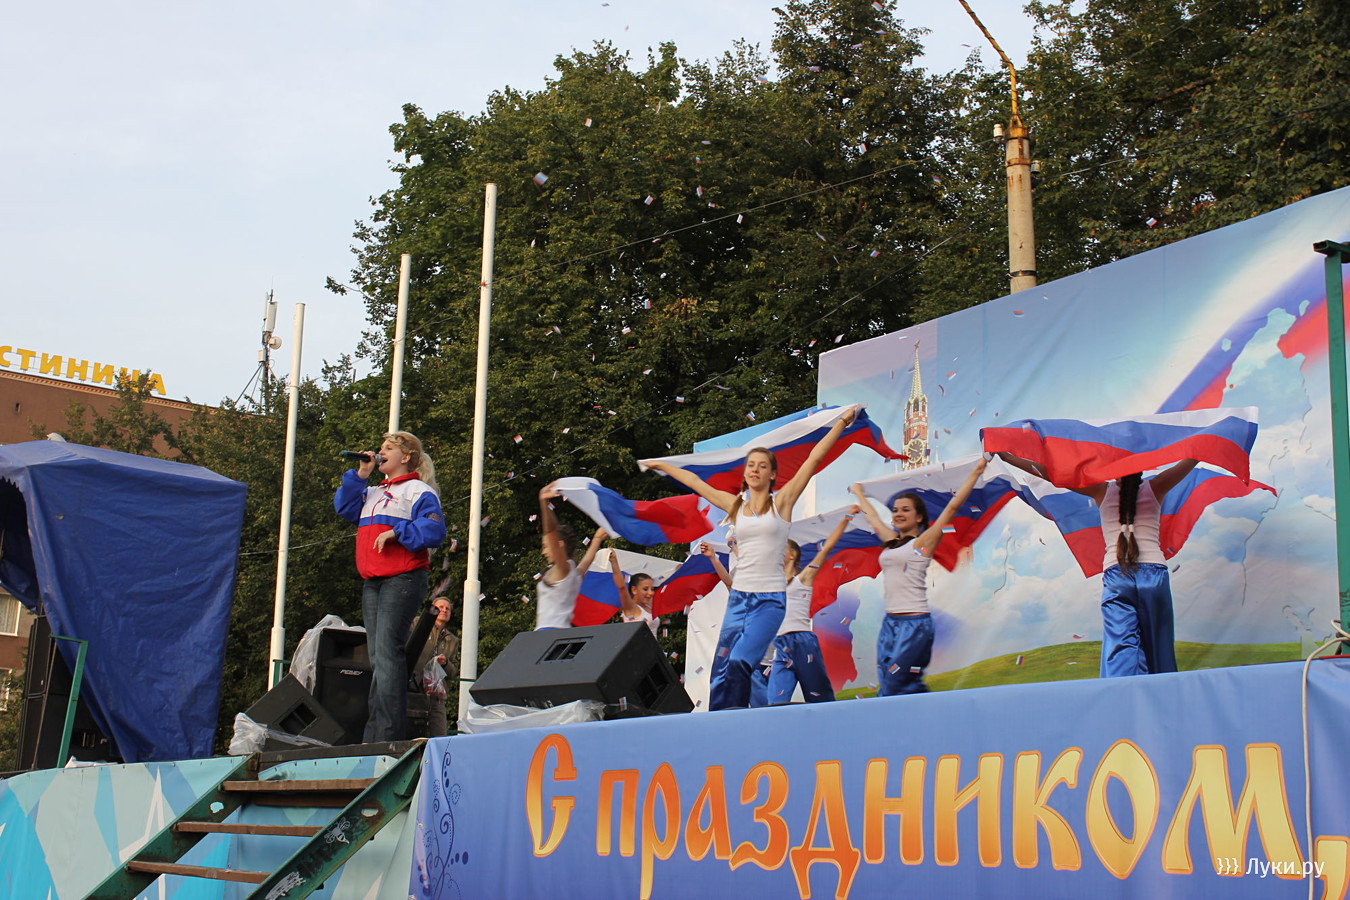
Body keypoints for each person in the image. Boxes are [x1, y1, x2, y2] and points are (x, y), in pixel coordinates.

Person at [645, 407, 857, 709]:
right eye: (751, 465)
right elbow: (696, 483)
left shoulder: (782, 503)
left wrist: (841, 423)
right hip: (740, 599)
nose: (755, 470)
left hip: (768, 598)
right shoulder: (735, 507)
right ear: (745, 474)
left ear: (772, 474)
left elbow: (813, 460)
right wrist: (661, 464)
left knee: (742, 661)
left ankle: (764, 713)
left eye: (762, 466)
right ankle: (726, 720)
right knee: (723, 668)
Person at [999, 452, 1197, 677]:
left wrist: (1007, 457)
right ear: (1140, 468)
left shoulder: (1101, 490)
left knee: (1120, 643)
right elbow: (1193, 457)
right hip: (1154, 574)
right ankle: (1162, 689)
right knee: (1157, 642)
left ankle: (1118, 690)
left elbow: (1052, 473)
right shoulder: (1156, 486)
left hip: (1117, 575)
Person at [334, 431, 446, 742]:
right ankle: (377, 733)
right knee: (378, 657)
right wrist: (361, 475)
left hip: (403, 577)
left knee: (386, 653)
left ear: (406, 457)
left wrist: (397, 532)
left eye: (388, 448)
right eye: (380, 447)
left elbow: (434, 529)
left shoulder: (417, 490)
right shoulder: (372, 492)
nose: (380, 451)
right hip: (373, 580)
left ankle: (385, 735)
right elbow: (345, 509)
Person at [851, 457, 986, 696]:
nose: (898, 514)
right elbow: (872, 517)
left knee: (897, 682)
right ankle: (911, 715)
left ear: (919, 517)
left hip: (914, 625)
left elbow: (951, 509)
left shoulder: (922, 544)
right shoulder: (891, 542)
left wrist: (975, 473)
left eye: (905, 510)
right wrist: (860, 494)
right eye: (895, 510)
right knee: (890, 683)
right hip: (890, 624)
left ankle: (930, 711)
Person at [766, 508, 858, 705]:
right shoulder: (773, 585)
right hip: (780, 644)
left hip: (801, 640)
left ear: (792, 554)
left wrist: (846, 519)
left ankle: (829, 721)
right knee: (774, 701)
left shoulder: (803, 578)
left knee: (818, 697)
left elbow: (826, 549)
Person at [536, 482, 606, 629]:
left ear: (559, 545)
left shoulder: (563, 569)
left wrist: (543, 501)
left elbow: (550, 531)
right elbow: (587, 560)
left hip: (548, 631)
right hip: (560, 633)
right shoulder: (573, 572)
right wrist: (597, 539)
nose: (543, 552)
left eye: (546, 547)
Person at [413, 596, 459, 737]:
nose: (444, 610)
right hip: (413, 687)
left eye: (447, 608)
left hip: (436, 693)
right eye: (441, 607)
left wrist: (445, 663)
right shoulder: (417, 624)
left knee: (439, 733)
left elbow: (453, 672)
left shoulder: (452, 640)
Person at [607, 549, 660, 634]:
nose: (650, 593)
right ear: (634, 590)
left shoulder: (648, 605)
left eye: (652, 589)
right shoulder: (631, 608)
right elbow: (622, 587)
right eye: (645, 589)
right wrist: (614, 561)